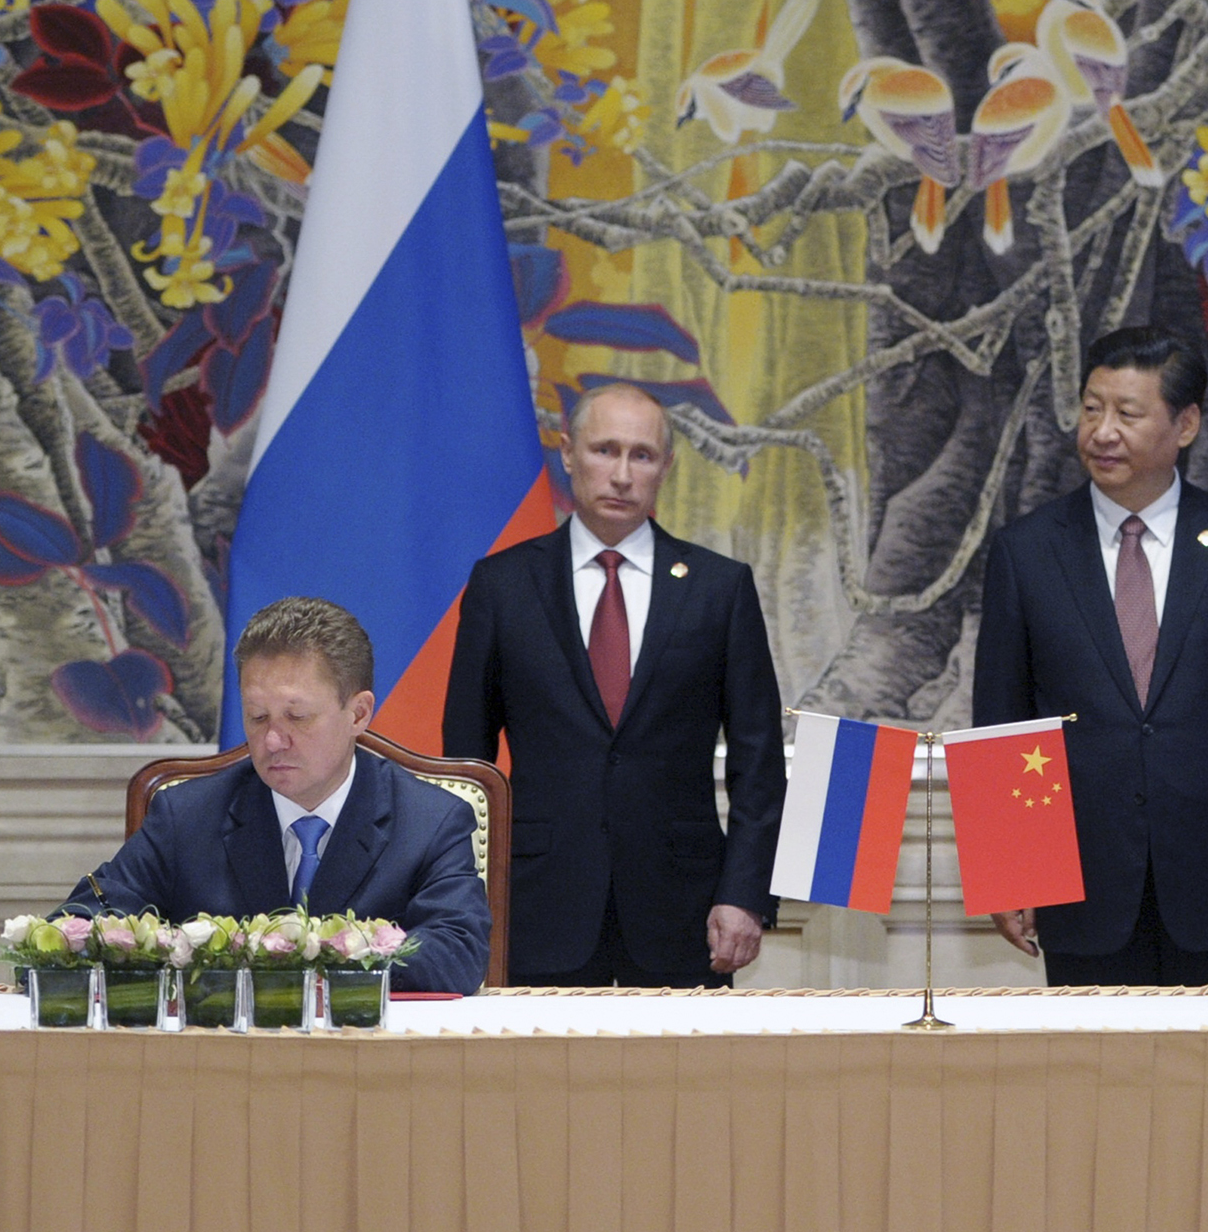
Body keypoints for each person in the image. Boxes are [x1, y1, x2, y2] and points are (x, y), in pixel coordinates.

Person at [972, 326, 1208, 986]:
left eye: (1127, 413)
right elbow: (1002, 720)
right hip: (1081, 881)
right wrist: (1006, 869)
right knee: (1095, 1080)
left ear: (1185, 425)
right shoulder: (1027, 553)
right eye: (1091, 408)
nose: (1102, 431)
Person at [444, 381, 785, 987]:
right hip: (533, 906)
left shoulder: (719, 589)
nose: (622, 474)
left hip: (685, 911)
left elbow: (758, 763)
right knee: (542, 1082)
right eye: (605, 450)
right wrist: (466, 895)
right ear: (568, 453)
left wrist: (745, 895)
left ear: (666, 467)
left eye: (642, 455)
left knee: (681, 1083)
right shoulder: (502, 586)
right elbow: (466, 764)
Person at [62, 597, 492, 994]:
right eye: (257, 716)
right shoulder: (187, 816)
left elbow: (457, 954)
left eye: (297, 717)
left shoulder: (431, 820)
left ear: (358, 713)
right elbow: (73, 928)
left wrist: (304, 956)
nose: (272, 741)